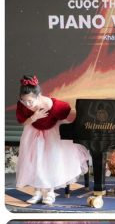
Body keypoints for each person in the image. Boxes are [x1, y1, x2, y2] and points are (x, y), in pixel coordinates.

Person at [15, 75, 90, 205]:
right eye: (24, 100)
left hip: (52, 133)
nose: (27, 104)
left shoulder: (49, 104)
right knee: (34, 161)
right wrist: (34, 117)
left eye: (30, 101)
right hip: (33, 132)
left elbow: (68, 111)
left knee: (51, 161)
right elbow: (23, 122)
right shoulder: (23, 106)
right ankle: (37, 191)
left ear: (38, 96)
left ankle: (49, 192)